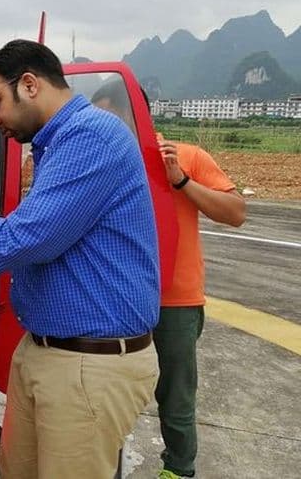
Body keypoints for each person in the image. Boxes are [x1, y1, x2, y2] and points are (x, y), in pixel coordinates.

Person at [0, 39, 161, 478]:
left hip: (87, 365)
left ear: (29, 84)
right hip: (49, 352)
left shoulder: (91, 137)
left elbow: (31, 238)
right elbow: (56, 232)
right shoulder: (57, 145)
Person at [155, 126, 246, 479]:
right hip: (119, 297)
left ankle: (178, 469)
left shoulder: (185, 155)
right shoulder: (105, 157)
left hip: (175, 303)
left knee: (176, 397)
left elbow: (236, 212)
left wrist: (181, 181)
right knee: (106, 389)